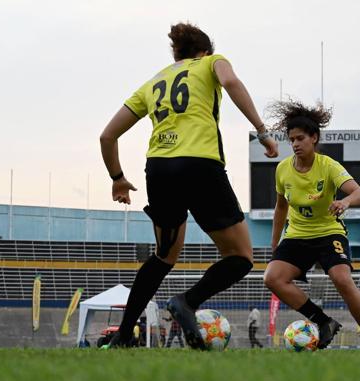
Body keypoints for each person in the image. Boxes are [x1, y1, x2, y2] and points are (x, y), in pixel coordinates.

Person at [99, 22, 278, 349]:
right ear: (204, 51)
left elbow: (107, 135)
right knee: (240, 256)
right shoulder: (212, 61)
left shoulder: (153, 82)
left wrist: (117, 178)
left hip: (159, 168)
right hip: (199, 163)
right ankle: (187, 301)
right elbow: (231, 81)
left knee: (163, 257)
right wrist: (262, 131)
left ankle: (124, 336)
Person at [263, 99, 360, 352]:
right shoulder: (283, 170)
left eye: (300, 138)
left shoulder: (328, 166)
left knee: (342, 279)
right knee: (273, 278)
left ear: (314, 138)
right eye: (292, 139)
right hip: (297, 235)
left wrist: (345, 202)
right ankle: (324, 322)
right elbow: (281, 207)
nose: (295, 144)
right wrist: (275, 243)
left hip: (329, 232)